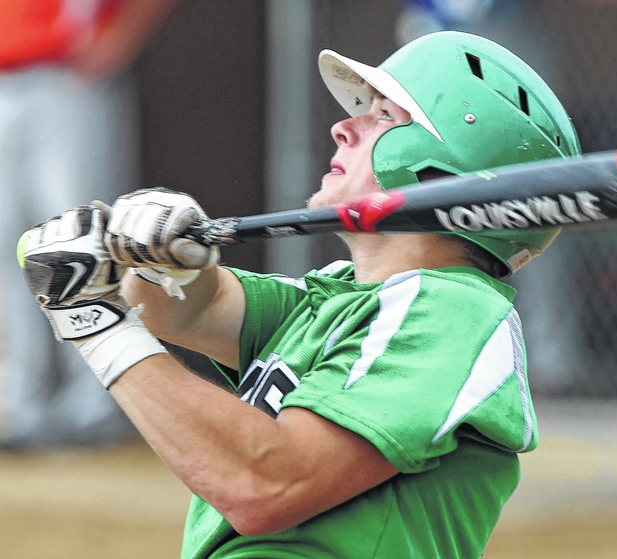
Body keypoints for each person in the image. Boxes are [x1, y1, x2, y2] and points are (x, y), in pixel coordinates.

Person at [18, 31, 580, 558]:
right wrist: (160, 257)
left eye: (383, 116)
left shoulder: (454, 311)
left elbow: (267, 482)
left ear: (440, 174)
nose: (344, 128)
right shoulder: (338, 299)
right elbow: (190, 307)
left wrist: (98, 322)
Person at [0, 0, 178, 447]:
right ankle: (18, 403)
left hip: (63, 75)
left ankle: (97, 398)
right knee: (5, 245)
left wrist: (115, 43)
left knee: (83, 237)